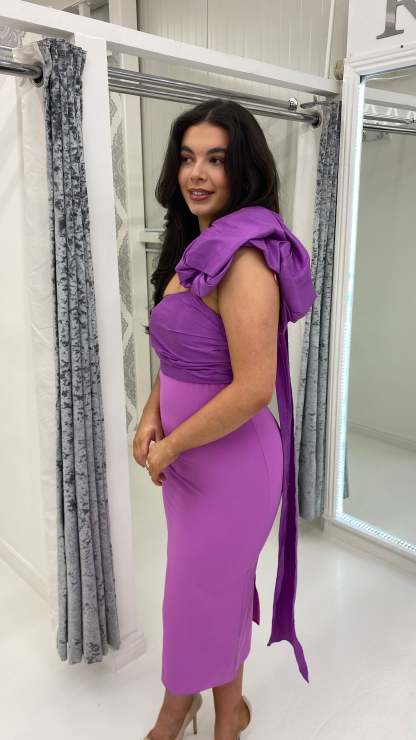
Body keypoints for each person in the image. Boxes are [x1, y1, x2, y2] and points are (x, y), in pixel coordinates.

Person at [133, 98, 317, 740]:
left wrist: (171, 445)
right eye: (188, 158)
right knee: (215, 591)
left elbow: (253, 388)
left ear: (244, 169)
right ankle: (227, 711)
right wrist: (150, 414)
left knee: (196, 595)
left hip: (233, 465)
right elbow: (180, 353)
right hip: (189, 460)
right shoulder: (198, 245)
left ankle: (177, 709)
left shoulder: (244, 260)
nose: (198, 173)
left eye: (216, 159)